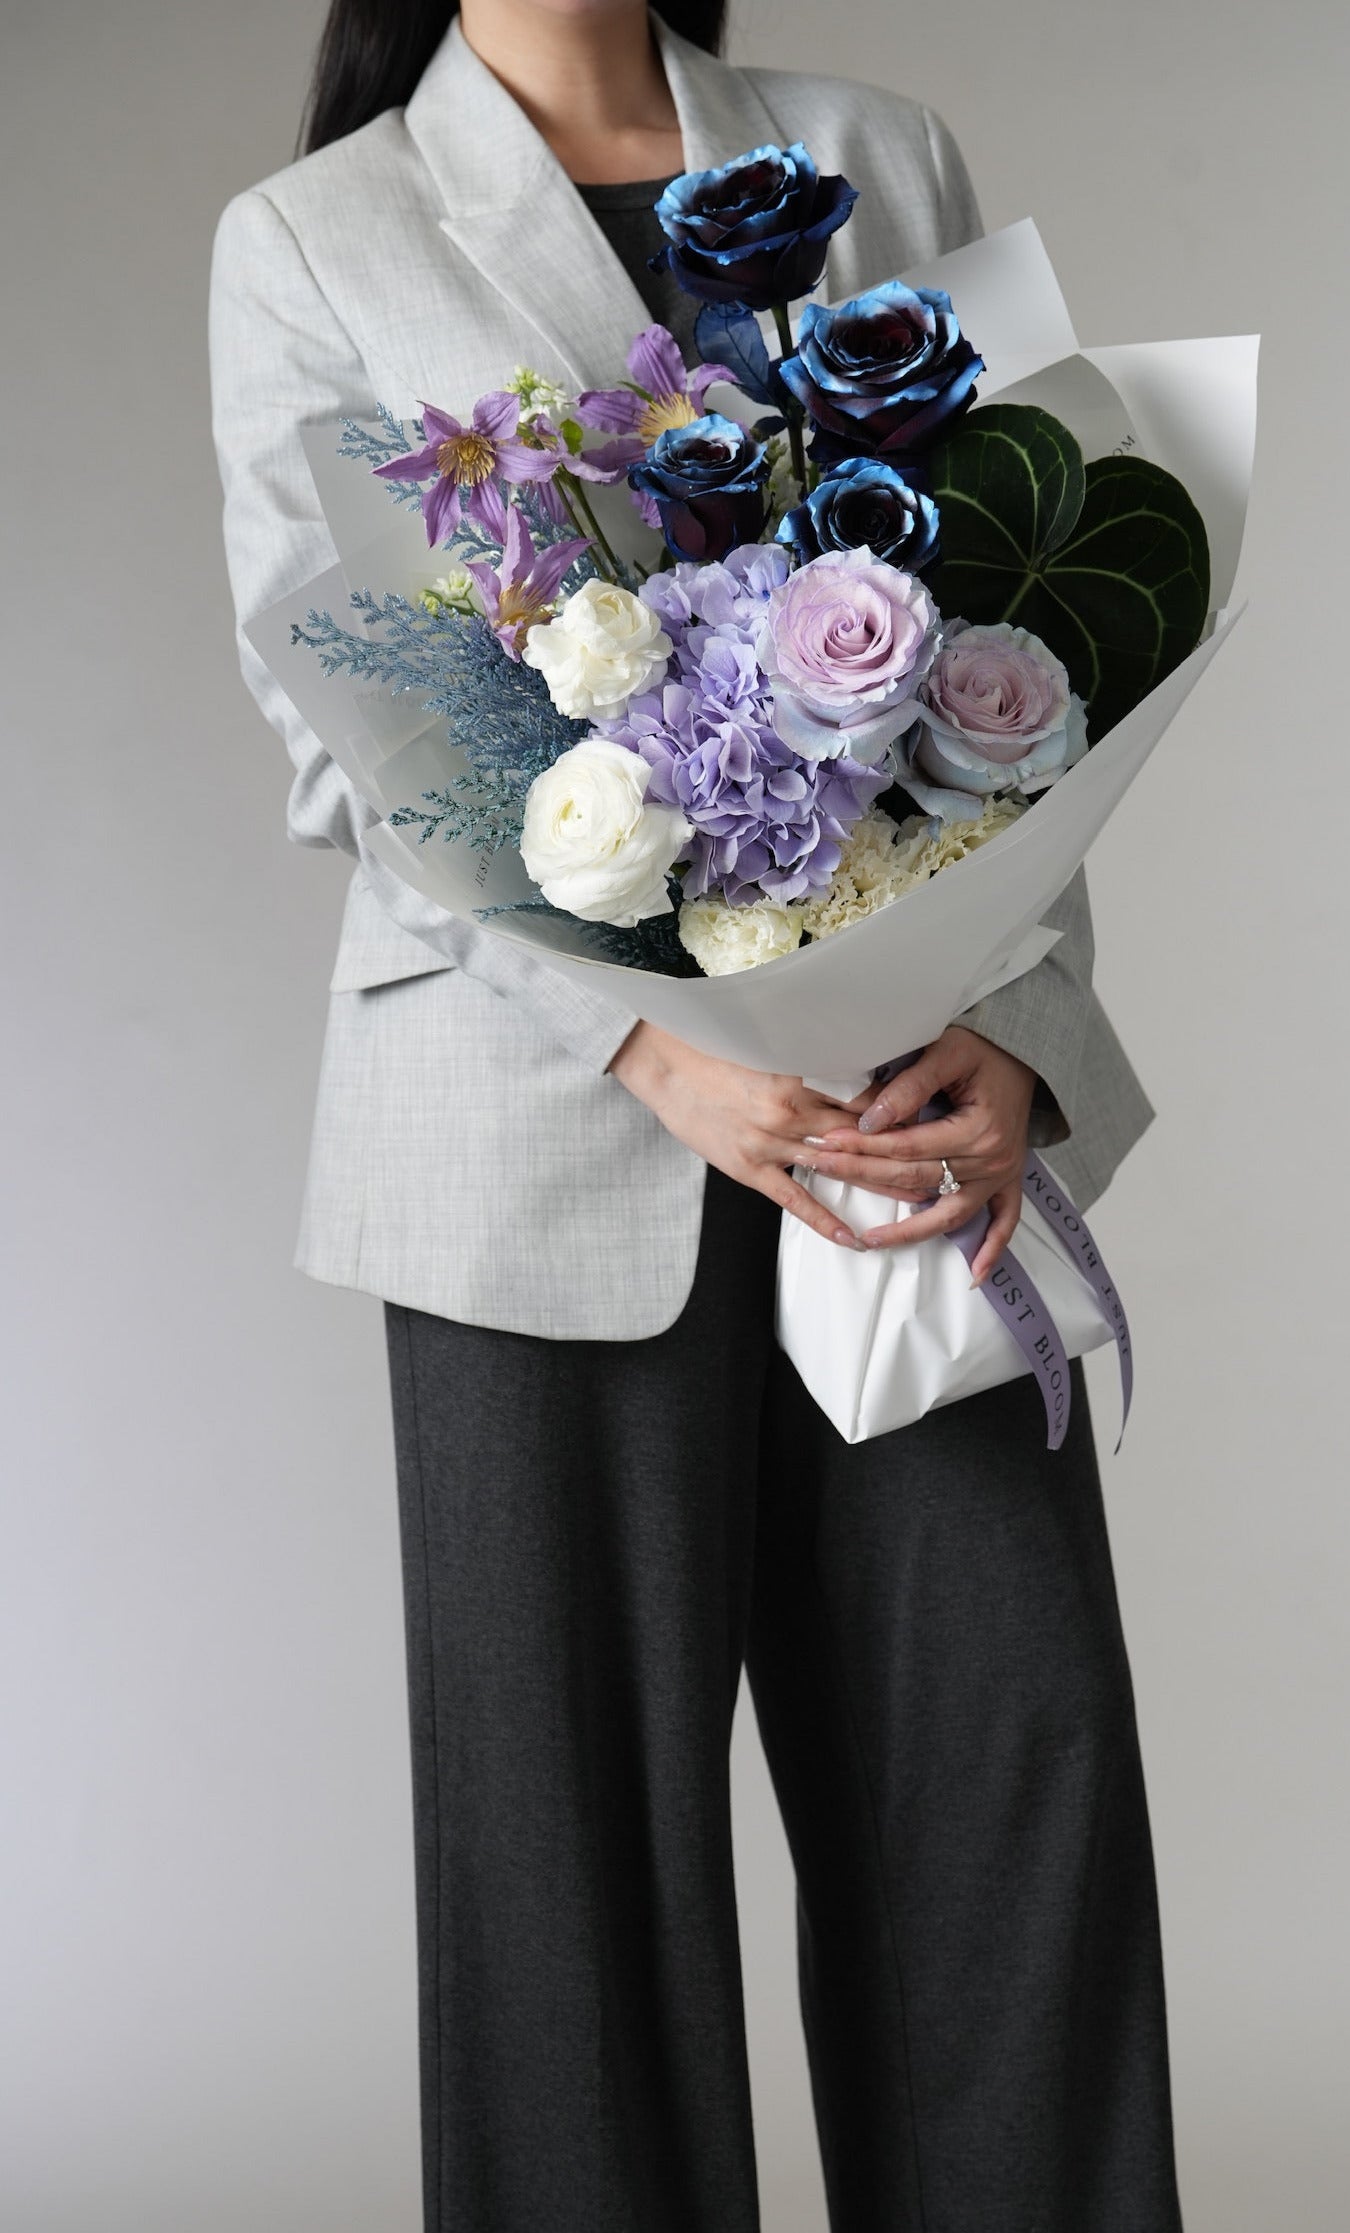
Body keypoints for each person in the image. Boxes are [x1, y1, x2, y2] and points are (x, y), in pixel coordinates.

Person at [209, 3, 1183, 2226]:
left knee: (1003, 1806)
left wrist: (1022, 1033)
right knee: (569, 1894)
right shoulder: (315, 233)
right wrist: (647, 1046)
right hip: (531, 1137)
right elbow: (342, 712)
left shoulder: (871, 151)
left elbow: (1029, 637)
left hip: (901, 1105)